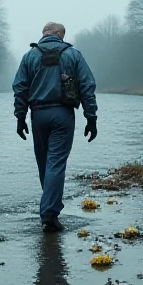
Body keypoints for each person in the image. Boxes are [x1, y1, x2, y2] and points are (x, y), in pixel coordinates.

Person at [13, 21, 98, 232]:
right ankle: (49, 213)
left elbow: (20, 88)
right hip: (63, 115)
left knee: (45, 164)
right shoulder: (73, 55)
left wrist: (20, 117)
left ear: (44, 35)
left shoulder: (29, 56)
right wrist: (91, 117)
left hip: (38, 115)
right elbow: (87, 85)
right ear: (61, 35)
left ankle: (48, 209)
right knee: (56, 164)